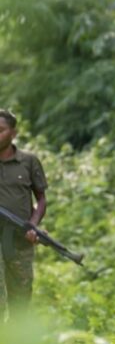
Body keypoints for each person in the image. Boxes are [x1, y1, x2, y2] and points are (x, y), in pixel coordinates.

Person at [0, 109, 47, 320]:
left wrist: (33, 224)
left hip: (19, 241)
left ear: (13, 133)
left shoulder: (28, 161)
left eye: (0, 130)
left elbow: (41, 199)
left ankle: (16, 340)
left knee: (20, 299)